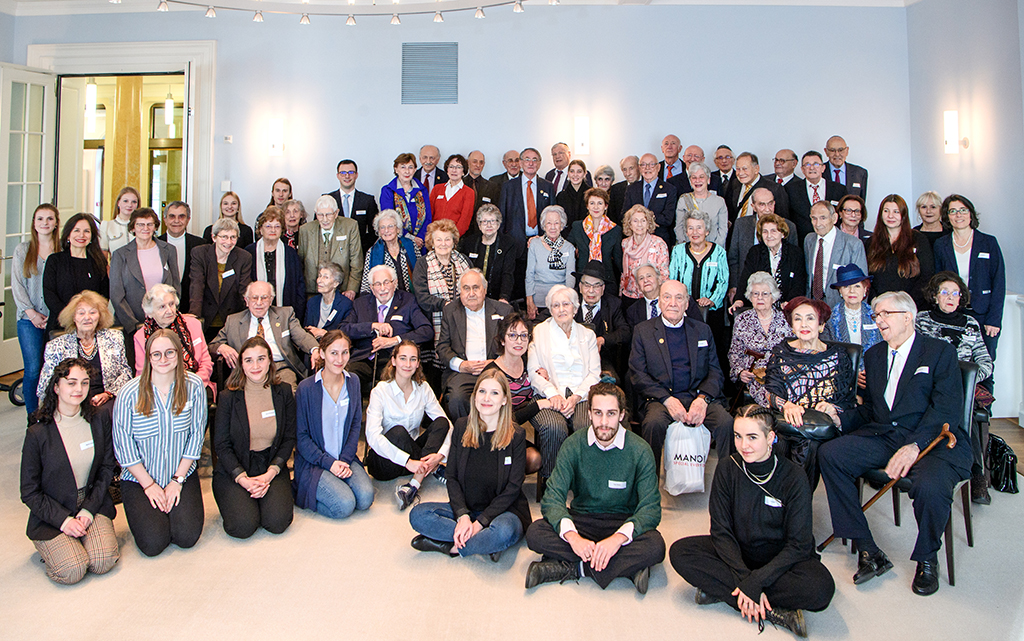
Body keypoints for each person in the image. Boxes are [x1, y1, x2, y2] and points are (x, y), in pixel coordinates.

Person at [818, 291, 970, 596]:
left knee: (930, 485)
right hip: (885, 435)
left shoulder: (939, 352)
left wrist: (914, 446)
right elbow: (872, 410)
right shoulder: (874, 356)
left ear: (908, 317)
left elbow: (946, 411)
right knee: (831, 454)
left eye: (886, 314)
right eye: (876, 315)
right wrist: (840, 418)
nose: (879, 320)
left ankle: (927, 559)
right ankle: (868, 550)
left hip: (934, 439)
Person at [670, 406, 835, 637]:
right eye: (738, 436)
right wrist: (747, 579)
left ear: (771, 438)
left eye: (752, 437)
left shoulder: (794, 477)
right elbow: (720, 531)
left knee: (821, 589)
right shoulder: (728, 468)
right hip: (739, 553)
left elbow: (799, 545)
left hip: (781, 560)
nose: (743, 445)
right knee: (680, 552)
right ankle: (773, 610)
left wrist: (755, 581)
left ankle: (725, 592)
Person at [524, 383, 664, 593]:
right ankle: (625, 569)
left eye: (611, 414)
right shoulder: (573, 445)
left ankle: (574, 568)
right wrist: (573, 537)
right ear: (588, 413)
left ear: (622, 415)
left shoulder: (640, 450)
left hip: (621, 521)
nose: (604, 422)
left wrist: (617, 540)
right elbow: (552, 497)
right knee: (535, 533)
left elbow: (650, 508)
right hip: (583, 520)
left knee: (656, 546)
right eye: (598, 413)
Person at [408, 370, 531, 560]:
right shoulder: (461, 427)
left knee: (504, 531)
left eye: (494, 393)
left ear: (505, 400)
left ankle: (450, 547)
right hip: (467, 507)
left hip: (503, 512)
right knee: (418, 514)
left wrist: (480, 523)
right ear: (474, 396)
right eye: (482, 391)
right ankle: (483, 544)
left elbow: (513, 488)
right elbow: (452, 477)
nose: (486, 398)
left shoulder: (516, 435)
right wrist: (463, 516)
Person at [20, 358, 120, 584]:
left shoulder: (98, 418)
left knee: (103, 561)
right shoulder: (37, 432)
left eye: (85, 383)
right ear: (57, 387)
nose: (79, 389)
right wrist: (64, 521)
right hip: (53, 511)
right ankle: (58, 545)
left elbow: (106, 468)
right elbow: (29, 491)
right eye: (71, 383)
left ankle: (78, 539)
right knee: (73, 570)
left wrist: (88, 511)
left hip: (91, 503)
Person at [112, 329, 207, 557]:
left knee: (187, 537)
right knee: (154, 544)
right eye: (156, 354)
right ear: (148, 357)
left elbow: (196, 436)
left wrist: (177, 481)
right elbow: (123, 447)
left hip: (180, 473)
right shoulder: (128, 393)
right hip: (140, 478)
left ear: (179, 353)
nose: (163, 360)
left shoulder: (194, 386)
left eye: (169, 352)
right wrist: (149, 485)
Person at [629, 280, 734, 464]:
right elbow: (638, 374)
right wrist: (667, 400)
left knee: (726, 423)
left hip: (699, 396)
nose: (673, 303)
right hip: (661, 398)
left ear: (687, 303)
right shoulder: (643, 331)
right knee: (653, 424)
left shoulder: (702, 330)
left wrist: (702, 400)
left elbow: (716, 371)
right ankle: (648, 484)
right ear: (659, 302)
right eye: (667, 297)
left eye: (679, 298)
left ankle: (727, 484)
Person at [915, 272, 994, 504]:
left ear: (961, 298)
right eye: (945, 292)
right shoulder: (922, 319)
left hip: (962, 387)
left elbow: (986, 362)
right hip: (928, 384)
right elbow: (916, 355)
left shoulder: (971, 324)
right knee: (952, 403)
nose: (950, 297)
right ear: (935, 296)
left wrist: (966, 379)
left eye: (955, 293)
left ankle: (976, 474)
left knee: (960, 403)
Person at [763, 297, 855, 489]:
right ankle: (777, 500)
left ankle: (797, 502)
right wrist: (786, 405)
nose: (804, 324)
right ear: (792, 325)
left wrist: (832, 407)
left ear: (821, 325)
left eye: (810, 318)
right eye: (798, 319)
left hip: (819, 424)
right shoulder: (781, 352)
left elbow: (847, 398)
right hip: (785, 418)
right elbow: (770, 391)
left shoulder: (838, 356)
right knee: (776, 441)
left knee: (810, 443)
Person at [213, 337, 295, 537]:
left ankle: (262, 495)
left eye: (261, 359)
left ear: (270, 361)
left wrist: (270, 474)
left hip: (270, 464)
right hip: (236, 467)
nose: (256, 365)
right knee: (243, 526)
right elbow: (221, 445)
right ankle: (245, 497)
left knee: (277, 522)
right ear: (241, 364)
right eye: (249, 360)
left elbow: (289, 438)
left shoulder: (283, 392)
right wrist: (243, 479)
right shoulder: (228, 397)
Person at [293, 330, 374, 519]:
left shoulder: (353, 382)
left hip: (344, 457)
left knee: (365, 499)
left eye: (344, 352)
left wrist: (344, 460)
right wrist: (330, 464)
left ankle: (336, 482)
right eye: (333, 353)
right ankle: (304, 492)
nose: (340, 359)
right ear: (322, 353)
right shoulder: (306, 388)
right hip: (315, 462)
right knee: (345, 505)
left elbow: (355, 425)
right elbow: (301, 437)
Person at [364, 341, 453, 509]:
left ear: (418, 363)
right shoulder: (380, 391)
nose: (408, 364)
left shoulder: (423, 388)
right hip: (385, 461)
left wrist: (439, 456)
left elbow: (447, 424)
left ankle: (413, 484)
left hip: (414, 459)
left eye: (413, 359)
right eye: (403, 358)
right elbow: (373, 437)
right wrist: (406, 461)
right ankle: (430, 471)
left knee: (442, 422)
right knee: (398, 432)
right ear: (394, 361)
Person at [527, 285, 601, 487]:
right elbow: (533, 372)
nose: (561, 309)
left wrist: (576, 397)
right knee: (554, 427)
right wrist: (553, 394)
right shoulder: (540, 331)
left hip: (581, 396)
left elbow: (594, 373)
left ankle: (583, 484)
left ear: (575, 308)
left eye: (566, 304)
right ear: (550, 310)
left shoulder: (587, 335)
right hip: (547, 395)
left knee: (584, 426)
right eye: (555, 305)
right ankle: (551, 485)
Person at [933, 194, 1004, 362]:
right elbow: (937, 280)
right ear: (947, 216)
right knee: (953, 363)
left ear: (971, 214)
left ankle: (982, 391)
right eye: (953, 211)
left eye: (963, 210)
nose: (959, 215)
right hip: (954, 312)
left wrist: (994, 319)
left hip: (984, 314)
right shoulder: (941, 245)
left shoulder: (988, 242)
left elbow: (999, 282)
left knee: (984, 365)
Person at [211, 281, 320, 389]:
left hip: (280, 367)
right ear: (246, 300)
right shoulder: (233, 321)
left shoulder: (285, 315)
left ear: (271, 300)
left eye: (264, 298)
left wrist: (315, 349)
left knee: (289, 395)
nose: (259, 302)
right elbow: (213, 345)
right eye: (254, 298)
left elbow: (301, 336)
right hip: (247, 370)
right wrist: (221, 347)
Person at [436, 269, 513, 419]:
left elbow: (515, 345)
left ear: (484, 290)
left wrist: (497, 363)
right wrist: (462, 365)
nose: (471, 293)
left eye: (476, 288)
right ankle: (467, 438)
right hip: (463, 373)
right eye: (466, 288)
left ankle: (496, 438)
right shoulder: (450, 311)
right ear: (460, 292)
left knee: (500, 398)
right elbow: (442, 347)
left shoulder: (504, 310)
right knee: (457, 399)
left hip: (497, 370)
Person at [341, 264, 432, 390]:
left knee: (393, 381)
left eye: (386, 283)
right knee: (348, 376)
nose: (382, 288)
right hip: (364, 358)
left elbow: (426, 331)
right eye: (377, 284)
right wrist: (372, 326)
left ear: (395, 283)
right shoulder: (360, 303)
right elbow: (343, 329)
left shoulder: (408, 301)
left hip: (393, 360)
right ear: (372, 288)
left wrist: (395, 340)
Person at [38, 291, 132, 408]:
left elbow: (125, 373)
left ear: (100, 315)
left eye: (92, 312)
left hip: (106, 400)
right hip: (72, 403)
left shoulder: (114, 338)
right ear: (73, 317)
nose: (87, 317)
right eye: (81, 313)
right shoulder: (57, 345)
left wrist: (108, 393)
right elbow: (44, 386)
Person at [482, 312, 549, 474]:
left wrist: (543, 379)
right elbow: (497, 420)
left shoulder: (530, 365)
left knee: (535, 459)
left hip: (514, 433)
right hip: (492, 435)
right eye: (512, 335)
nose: (519, 341)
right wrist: (537, 406)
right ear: (502, 340)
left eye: (523, 335)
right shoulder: (493, 373)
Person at [109, 208, 181, 347]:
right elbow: (116, 295)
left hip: (164, 322)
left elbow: (175, 286)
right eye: (140, 224)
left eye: (150, 224)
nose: (145, 228)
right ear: (133, 227)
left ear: (155, 227)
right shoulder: (120, 254)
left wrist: (167, 316)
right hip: (131, 325)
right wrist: (135, 324)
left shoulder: (168, 250)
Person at [14, 203, 59, 415]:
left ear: (56, 222)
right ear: (34, 223)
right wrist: (32, 314)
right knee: (33, 369)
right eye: (40, 218)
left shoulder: (62, 251)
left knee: (54, 370)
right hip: (28, 320)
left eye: (50, 218)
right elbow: (17, 286)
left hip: (56, 320)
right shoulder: (23, 250)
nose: (45, 223)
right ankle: (33, 417)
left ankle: (52, 413)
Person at [132, 284, 214, 396]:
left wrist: (195, 384)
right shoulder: (140, 336)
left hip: (195, 383)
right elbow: (143, 372)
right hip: (158, 389)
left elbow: (206, 362)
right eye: (162, 307)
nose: (170, 311)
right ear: (150, 313)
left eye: (171, 304)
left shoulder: (193, 325)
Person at [727, 272, 793, 407]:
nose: (760, 298)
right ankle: (781, 407)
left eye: (765, 294)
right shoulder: (742, 320)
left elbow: (794, 350)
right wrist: (740, 372)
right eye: (755, 294)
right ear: (750, 297)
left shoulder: (786, 319)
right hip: (755, 375)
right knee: (764, 388)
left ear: (773, 297)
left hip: (782, 373)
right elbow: (734, 352)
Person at [726, 187, 800, 307]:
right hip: (753, 296)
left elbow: (795, 271)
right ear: (753, 206)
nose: (767, 209)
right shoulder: (741, 225)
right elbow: (734, 258)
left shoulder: (789, 226)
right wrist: (737, 291)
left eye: (770, 204)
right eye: (762, 204)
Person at [42, 213, 110, 334]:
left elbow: (104, 296)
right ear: (68, 235)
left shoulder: (98, 262)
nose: (81, 235)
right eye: (76, 230)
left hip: (90, 326)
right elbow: (49, 294)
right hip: (60, 325)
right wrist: (72, 318)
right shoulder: (55, 260)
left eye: (86, 231)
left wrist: (87, 317)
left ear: (92, 236)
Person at [189, 218, 254, 342]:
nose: (228, 242)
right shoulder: (200, 253)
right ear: (214, 237)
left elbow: (244, 289)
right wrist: (195, 319)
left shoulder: (243, 257)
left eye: (233, 237)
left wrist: (248, 320)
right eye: (224, 237)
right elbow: (196, 285)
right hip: (205, 318)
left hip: (231, 318)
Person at [866, 194, 934, 309]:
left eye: (896, 212)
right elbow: (866, 277)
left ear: (903, 215)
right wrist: (875, 300)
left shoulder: (918, 239)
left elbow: (927, 276)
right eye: (886, 211)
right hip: (879, 307)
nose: (890, 216)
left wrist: (906, 303)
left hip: (910, 307)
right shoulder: (871, 242)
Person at [412, 219, 472, 350]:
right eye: (439, 240)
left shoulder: (464, 261)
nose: (443, 244)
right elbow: (422, 297)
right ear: (432, 243)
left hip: (465, 319)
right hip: (434, 323)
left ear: (454, 242)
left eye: (447, 239)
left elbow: (475, 288)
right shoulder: (423, 264)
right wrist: (446, 305)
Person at [729, 213, 805, 312]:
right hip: (759, 307)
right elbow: (745, 278)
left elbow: (798, 283)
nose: (769, 236)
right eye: (765, 232)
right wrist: (739, 300)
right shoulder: (755, 252)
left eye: (773, 231)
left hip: (786, 308)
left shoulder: (795, 253)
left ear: (782, 233)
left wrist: (790, 302)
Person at [247, 206, 307, 322]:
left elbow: (299, 287)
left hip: (284, 312)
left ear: (282, 230)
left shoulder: (291, 254)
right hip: (254, 313)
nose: (273, 230)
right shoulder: (249, 253)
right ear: (261, 229)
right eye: (268, 226)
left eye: (277, 226)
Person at [804, 201, 868, 308]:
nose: (818, 223)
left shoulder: (853, 244)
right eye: (814, 218)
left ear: (834, 218)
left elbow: (862, 284)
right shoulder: (809, 240)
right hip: (813, 305)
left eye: (823, 218)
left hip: (840, 307)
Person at [298, 195, 362, 301]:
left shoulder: (350, 226)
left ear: (336, 213)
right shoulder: (305, 230)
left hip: (342, 291)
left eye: (328, 214)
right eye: (320, 215)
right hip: (312, 292)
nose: (324, 219)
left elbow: (357, 262)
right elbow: (300, 262)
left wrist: (352, 289)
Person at [670, 209, 729, 322]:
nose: (695, 232)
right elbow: (672, 280)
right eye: (690, 228)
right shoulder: (678, 251)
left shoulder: (719, 252)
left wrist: (711, 300)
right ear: (686, 232)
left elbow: (723, 281)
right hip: (683, 311)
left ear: (707, 231)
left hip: (712, 312)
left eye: (699, 228)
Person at [575, 260, 631, 378]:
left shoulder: (613, 304)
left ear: (603, 288)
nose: (591, 290)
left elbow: (625, 332)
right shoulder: (569, 300)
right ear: (580, 287)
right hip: (571, 358)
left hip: (603, 361)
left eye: (596, 286)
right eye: (587, 285)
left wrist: (602, 339)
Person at [459, 204, 520, 303]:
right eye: (484, 222)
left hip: (498, 297)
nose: (489, 225)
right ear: (479, 225)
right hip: (473, 296)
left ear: (498, 224)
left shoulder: (508, 244)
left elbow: (507, 274)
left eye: (492, 221)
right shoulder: (469, 242)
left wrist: (504, 297)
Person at [525, 205, 576, 321]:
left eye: (556, 223)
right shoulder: (534, 244)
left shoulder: (569, 247)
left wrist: (566, 302)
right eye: (549, 223)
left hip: (561, 301)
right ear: (543, 225)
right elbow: (529, 274)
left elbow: (570, 277)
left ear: (562, 225)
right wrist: (529, 301)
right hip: (538, 300)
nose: (553, 227)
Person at [785, 151, 848, 241]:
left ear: (823, 168)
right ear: (802, 169)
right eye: (807, 165)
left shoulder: (839, 189)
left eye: (816, 164)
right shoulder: (790, 189)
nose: (812, 168)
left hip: (832, 241)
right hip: (801, 242)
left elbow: (843, 216)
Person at [567, 188, 622, 290]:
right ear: (587, 206)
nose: (596, 207)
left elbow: (618, 259)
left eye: (600, 203)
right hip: (583, 280)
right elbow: (566, 248)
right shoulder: (577, 227)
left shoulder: (615, 230)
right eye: (592, 203)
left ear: (606, 206)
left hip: (607, 280)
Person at [821, 264, 882, 356]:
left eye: (857, 286)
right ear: (840, 291)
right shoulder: (830, 319)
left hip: (872, 367)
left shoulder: (877, 315)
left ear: (865, 289)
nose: (852, 291)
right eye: (846, 287)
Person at [158, 201, 205, 314]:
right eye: (172, 216)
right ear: (165, 219)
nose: (176, 221)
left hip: (190, 308)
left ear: (188, 219)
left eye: (181, 216)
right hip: (161, 309)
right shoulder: (155, 244)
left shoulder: (200, 244)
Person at [622, 153, 678, 246]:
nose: (647, 168)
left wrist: (643, 221)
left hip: (660, 241)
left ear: (658, 167)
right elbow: (625, 214)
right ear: (639, 168)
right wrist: (651, 221)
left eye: (652, 164)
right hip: (636, 241)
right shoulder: (632, 189)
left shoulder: (669, 189)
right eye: (643, 165)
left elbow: (668, 219)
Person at [324, 159, 380, 251]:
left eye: (351, 172)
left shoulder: (367, 200)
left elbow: (374, 230)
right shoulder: (327, 199)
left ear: (356, 175)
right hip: (333, 253)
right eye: (343, 173)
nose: (347, 176)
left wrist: (363, 248)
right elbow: (320, 229)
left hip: (360, 252)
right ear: (337, 176)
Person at [620, 205, 669, 308]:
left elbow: (664, 274)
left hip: (651, 296)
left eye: (643, 221)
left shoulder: (658, 243)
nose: (639, 225)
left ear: (648, 224)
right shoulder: (625, 244)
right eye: (635, 221)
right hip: (629, 295)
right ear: (630, 224)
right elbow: (624, 273)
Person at [381, 152, 432, 252]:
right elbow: (389, 219)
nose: (407, 171)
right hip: (397, 241)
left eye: (410, 167)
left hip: (421, 243)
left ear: (415, 170)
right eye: (403, 167)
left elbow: (428, 217)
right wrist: (411, 239)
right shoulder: (388, 190)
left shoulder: (422, 190)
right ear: (396, 169)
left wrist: (420, 238)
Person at [360, 209, 418, 293]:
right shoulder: (372, 252)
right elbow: (366, 283)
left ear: (398, 229)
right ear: (379, 232)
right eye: (382, 227)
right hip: (386, 298)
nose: (386, 230)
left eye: (390, 226)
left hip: (412, 298)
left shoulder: (411, 245)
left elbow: (420, 274)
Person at [724, 152, 788, 226]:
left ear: (756, 169)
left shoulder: (773, 188)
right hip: (739, 232)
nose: (741, 173)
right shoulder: (735, 184)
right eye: (738, 169)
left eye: (745, 169)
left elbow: (783, 219)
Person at [675, 162, 728, 248]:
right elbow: (679, 227)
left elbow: (723, 230)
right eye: (694, 177)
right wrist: (686, 247)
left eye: (701, 177)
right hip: (689, 249)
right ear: (690, 181)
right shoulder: (683, 200)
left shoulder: (719, 201)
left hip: (713, 250)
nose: (697, 180)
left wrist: (713, 249)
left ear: (708, 179)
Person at [305, 262, 354, 339]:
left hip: (334, 346)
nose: (319, 280)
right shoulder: (312, 302)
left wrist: (324, 333)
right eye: (319, 276)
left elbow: (346, 335)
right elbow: (307, 329)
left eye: (325, 277)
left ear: (336, 283)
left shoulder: (345, 305)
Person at [430, 154, 476, 236]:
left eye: (458, 167)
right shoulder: (437, 189)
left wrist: (452, 237)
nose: (454, 170)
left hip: (454, 238)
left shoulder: (469, 192)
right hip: (435, 236)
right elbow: (429, 214)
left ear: (463, 171)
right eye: (451, 166)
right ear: (447, 169)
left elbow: (465, 220)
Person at [824, 135, 868, 200]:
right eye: (832, 150)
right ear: (826, 152)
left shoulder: (860, 173)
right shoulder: (819, 172)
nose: (837, 154)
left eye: (841, 150)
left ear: (847, 151)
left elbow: (861, 203)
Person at [98, 186, 139, 256]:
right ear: (118, 203)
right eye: (125, 201)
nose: (129, 205)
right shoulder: (107, 226)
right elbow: (103, 255)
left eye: (134, 202)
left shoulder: (142, 226)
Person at [555, 159, 590, 227]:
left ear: (585, 174)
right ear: (568, 174)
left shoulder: (592, 194)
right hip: (567, 236)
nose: (575, 175)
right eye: (572, 171)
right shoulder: (561, 196)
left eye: (579, 172)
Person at [610, 156, 639, 224]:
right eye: (624, 170)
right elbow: (612, 217)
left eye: (631, 168)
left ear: (638, 167)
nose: (628, 173)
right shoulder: (615, 189)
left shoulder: (647, 187)